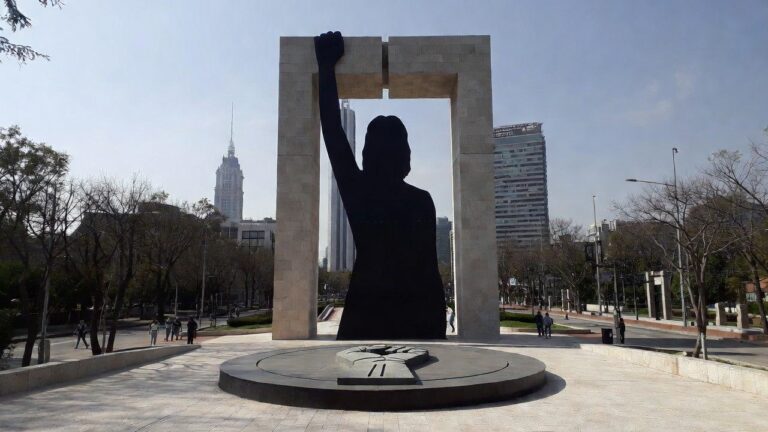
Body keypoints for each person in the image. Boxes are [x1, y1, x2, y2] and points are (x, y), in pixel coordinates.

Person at [315, 31, 446, 339]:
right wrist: (437, 327)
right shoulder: (421, 201)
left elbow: (332, 130)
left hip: (364, 312)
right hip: (414, 317)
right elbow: (429, 273)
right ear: (405, 154)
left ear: (367, 153)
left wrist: (326, 66)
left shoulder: (359, 192)